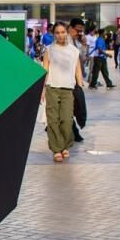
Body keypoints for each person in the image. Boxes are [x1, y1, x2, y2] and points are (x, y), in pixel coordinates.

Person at [41, 22, 82, 163]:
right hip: (52, 87)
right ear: (54, 34)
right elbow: (45, 70)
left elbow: (77, 69)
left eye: (63, 32)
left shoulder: (74, 51)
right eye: (57, 33)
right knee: (53, 120)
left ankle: (64, 144)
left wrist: (80, 87)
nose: (60, 35)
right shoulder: (49, 50)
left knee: (67, 120)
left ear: (67, 32)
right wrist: (42, 89)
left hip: (68, 89)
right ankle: (57, 149)